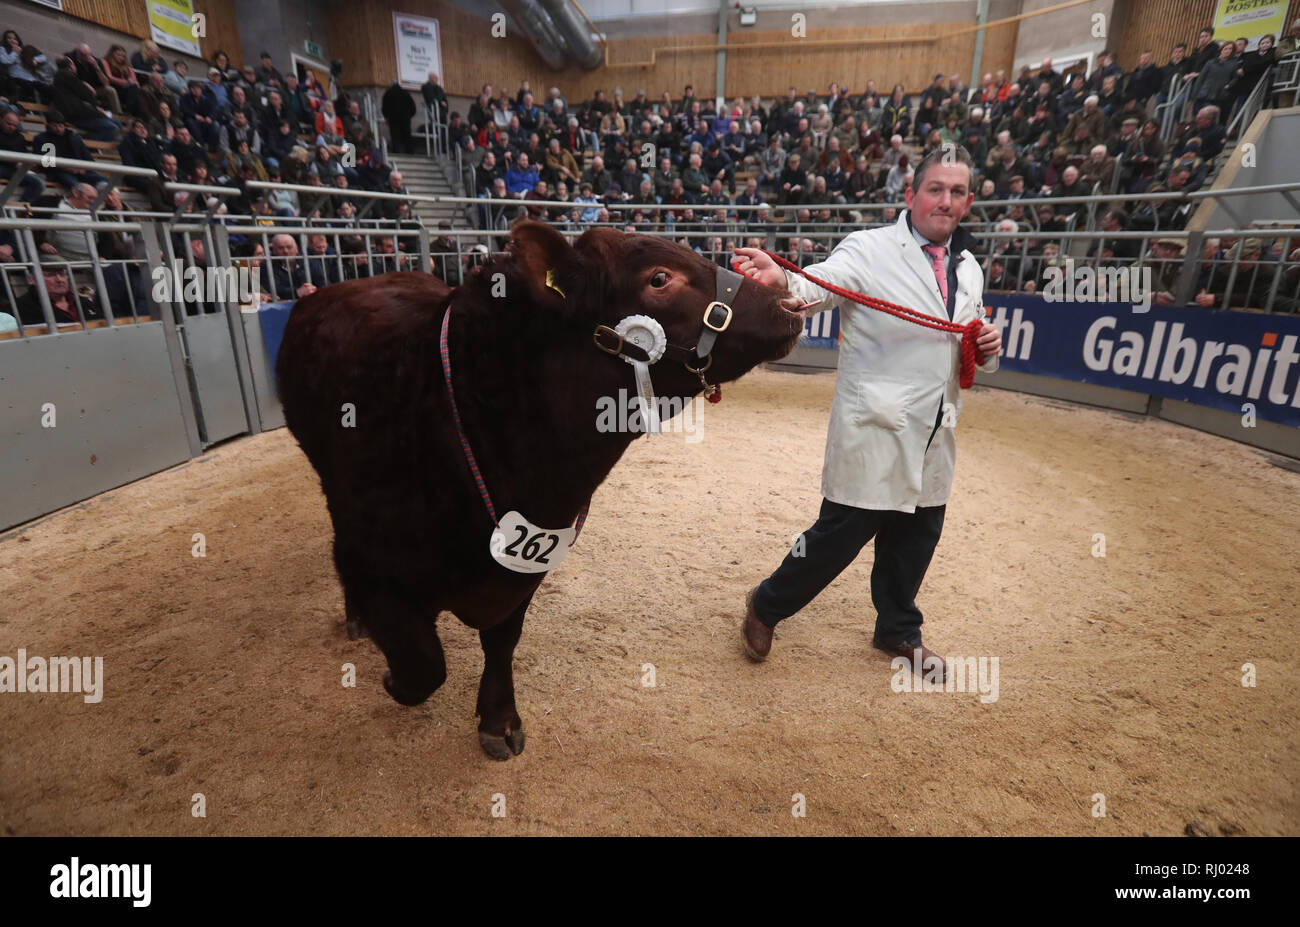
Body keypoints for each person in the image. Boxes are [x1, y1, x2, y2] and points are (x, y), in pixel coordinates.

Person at [731, 145, 1002, 679]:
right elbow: (818, 287)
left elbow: (968, 338)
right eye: (935, 189)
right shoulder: (870, 249)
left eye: (956, 192)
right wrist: (781, 280)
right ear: (911, 195)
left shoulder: (969, 267)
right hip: (876, 426)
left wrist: (987, 346)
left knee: (917, 537)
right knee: (837, 537)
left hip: (935, 431)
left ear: (967, 202)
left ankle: (898, 631)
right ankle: (766, 606)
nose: (944, 201)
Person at [382, 81, 416, 154]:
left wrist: (386, 117)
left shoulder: (388, 93)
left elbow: (385, 107)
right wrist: (409, 116)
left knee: (395, 136)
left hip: (393, 119)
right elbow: (413, 106)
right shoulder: (406, 93)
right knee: (407, 135)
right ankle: (410, 151)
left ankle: (396, 151)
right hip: (405, 118)